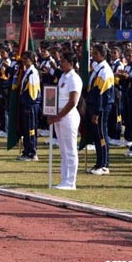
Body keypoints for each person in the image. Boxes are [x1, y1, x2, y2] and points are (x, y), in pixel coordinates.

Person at [48, 52, 82, 189]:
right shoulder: (63, 76)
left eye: (63, 61)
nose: (61, 63)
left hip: (68, 116)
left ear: (71, 64)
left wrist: (58, 116)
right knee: (63, 150)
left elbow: (72, 101)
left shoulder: (74, 78)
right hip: (59, 115)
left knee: (70, 149)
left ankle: (70, 181)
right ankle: (64, 179)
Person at [84, 44, 115, 175]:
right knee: (97, 136)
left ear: (102, 55)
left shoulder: (105, 71)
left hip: (101, 107)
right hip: (94, 105)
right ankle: (99, 162)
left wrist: (97, 111)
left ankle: (104, 164)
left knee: (101, 134)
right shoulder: (98, 68)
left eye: (96, 53)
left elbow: (102, 93)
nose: (93, 55)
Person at [17, 51, 41, 161]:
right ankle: (26, 151)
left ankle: (32, 152)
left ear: (31, 60)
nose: (23, 60)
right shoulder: (27, 72)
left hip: (30, 105)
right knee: (26, 129)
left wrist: (28, 105)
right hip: (25, 104)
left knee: (31, 129)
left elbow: (33, 93)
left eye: (25, 58)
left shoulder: (33, 73)